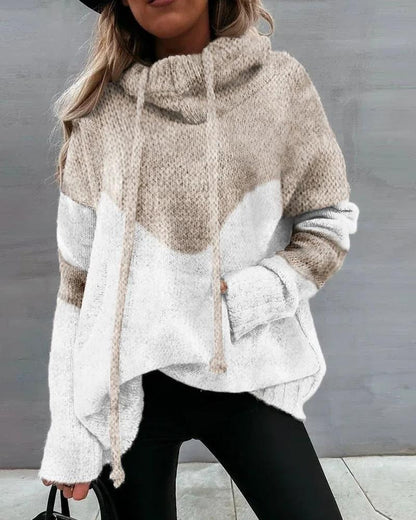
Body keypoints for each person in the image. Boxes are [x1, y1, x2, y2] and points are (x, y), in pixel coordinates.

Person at [38, 0, 359, 518]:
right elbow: (77, 285)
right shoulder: (99, 110)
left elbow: (328, 223)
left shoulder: (278, 86)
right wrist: (69, 434)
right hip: (127, 398)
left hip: (246, 372)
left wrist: (257, 294)